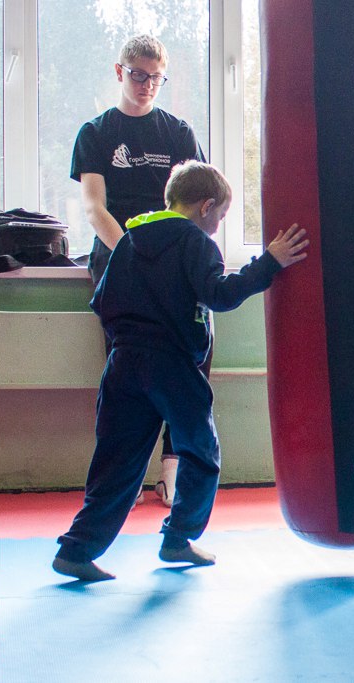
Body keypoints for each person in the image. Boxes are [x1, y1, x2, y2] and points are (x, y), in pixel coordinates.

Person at [52, 161, 308, 581]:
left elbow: (102, 301)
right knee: (199, 452)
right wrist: (269, 263)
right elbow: (219, 295)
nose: (217, 227)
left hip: (123, 364)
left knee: (116, 459)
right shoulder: (196, 243)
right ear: (206, 207)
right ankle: (178, 538)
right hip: (171, 365)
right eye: (221, 217)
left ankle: (77, 548)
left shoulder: (130, 239)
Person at [71, 34, 208, 507]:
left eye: (156, 77)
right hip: (119, 256)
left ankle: (172, 469)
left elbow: (196, 206)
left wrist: (170, 257)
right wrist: (135, 253)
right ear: (119, 72)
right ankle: (121, 478)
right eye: (138, 75)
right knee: (126, 367)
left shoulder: (178, 134)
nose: (147, 84)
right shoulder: (96, 133)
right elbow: (94, 208)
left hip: (174, 259)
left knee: (190, 356)